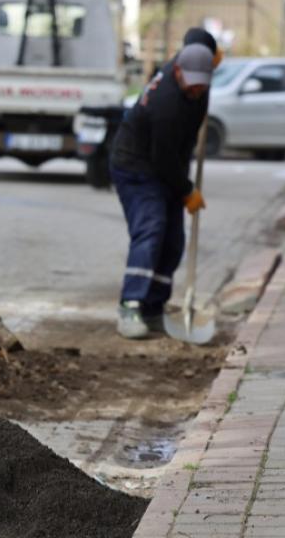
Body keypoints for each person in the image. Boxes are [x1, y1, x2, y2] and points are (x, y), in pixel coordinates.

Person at [109, 32, 215, 339]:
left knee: (173, 242)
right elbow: (163, 160)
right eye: (191, 81)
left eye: (202, 82)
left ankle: (153, 308)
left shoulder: (195, 74)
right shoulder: (166, 103)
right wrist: (186, 190)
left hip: (165, 166)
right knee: (151, 230)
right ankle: (130, 306)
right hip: (137, 166)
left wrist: (209, 46)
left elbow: (194, 37)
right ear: (177, 71)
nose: (196, 88)